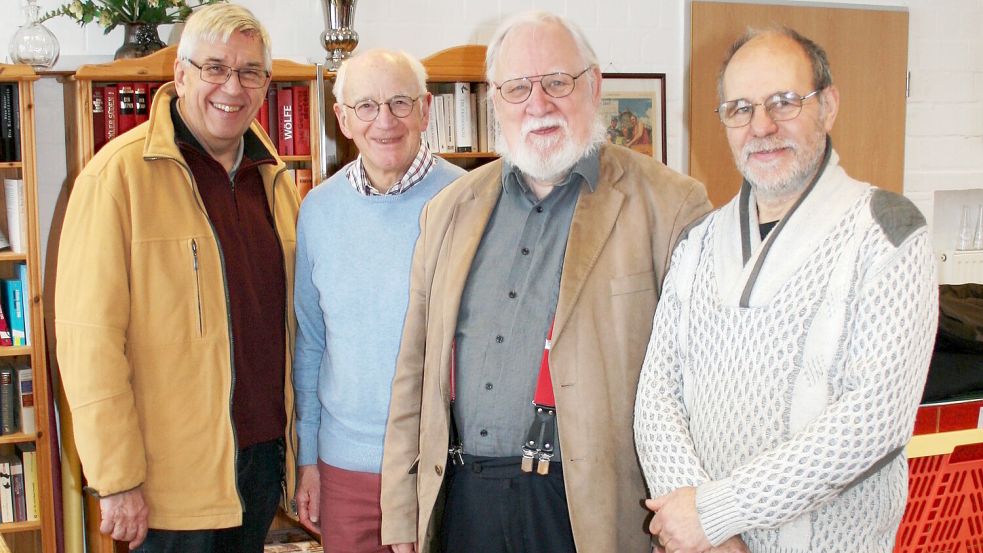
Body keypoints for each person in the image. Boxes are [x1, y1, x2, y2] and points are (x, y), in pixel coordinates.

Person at [380, 10, 711, 553]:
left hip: (593, 510)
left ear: (594, 84)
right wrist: (401, 515)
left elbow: (702, 383)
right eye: (518, 87)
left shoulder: (671, 206)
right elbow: (413, 374)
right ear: (494, 98)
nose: (539, 103)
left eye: (557, 81)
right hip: (465, 501)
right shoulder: (449, 211)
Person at [633, 27, 937, 553]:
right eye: (740, 108)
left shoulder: (886, 233)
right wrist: (708, 535)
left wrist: (716, 513)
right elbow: (656, 399)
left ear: (829, 105)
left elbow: (873, 421)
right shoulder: (698, 244)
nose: (762, 126)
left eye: (784, 102)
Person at [54, 4, 300, 552]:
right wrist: (116, 479)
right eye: (215, 67)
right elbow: (87, 341)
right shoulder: (116, 178)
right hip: (168, 484)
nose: (231, 87)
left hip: (260, 465)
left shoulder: (277, 182)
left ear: (265, 84)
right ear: (181, 74)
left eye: (249, 71)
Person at [291, 49, 465, 553]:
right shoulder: (318, 211)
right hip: (345, 469)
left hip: (439, 463)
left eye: (399, 103)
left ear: (427, 109)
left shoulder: (468, 201)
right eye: (365, 106)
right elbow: (310, 345)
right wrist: (309, 458)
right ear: (342, 118)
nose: (384, 121)